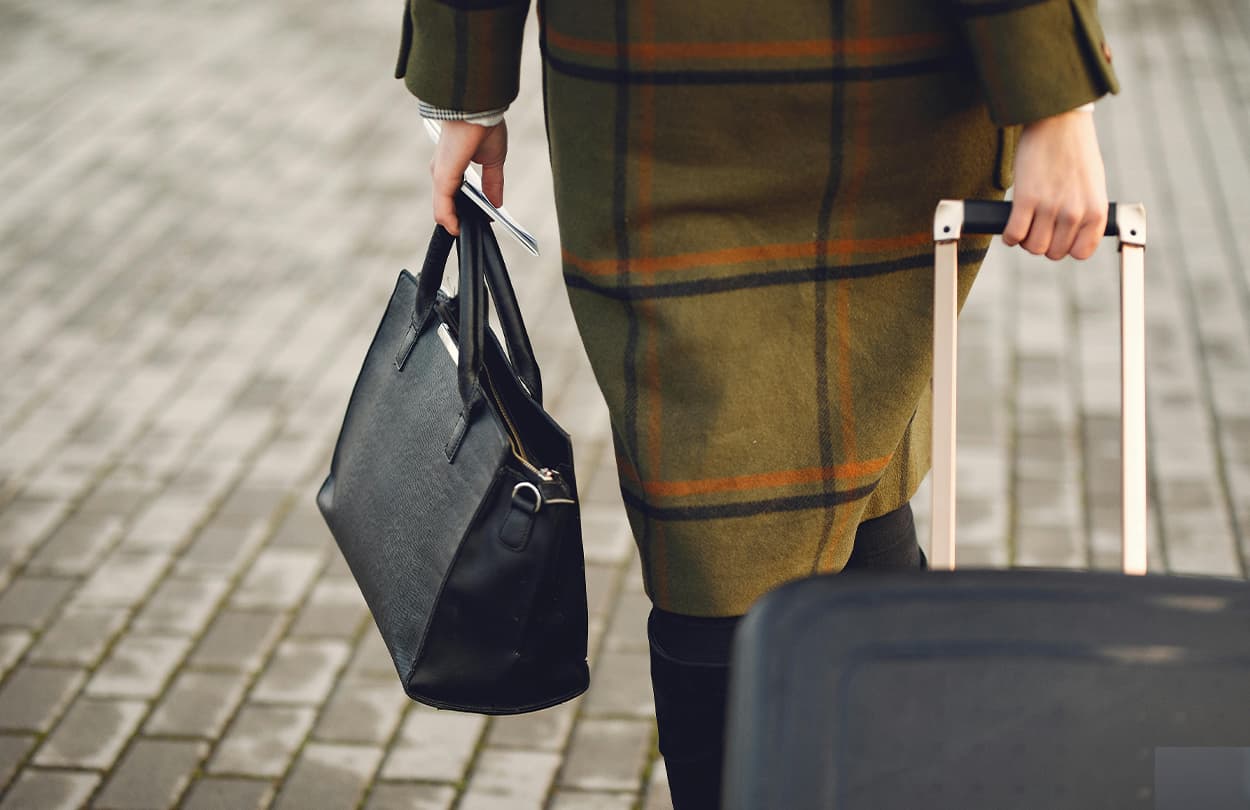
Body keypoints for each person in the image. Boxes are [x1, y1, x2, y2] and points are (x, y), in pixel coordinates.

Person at [397, 1, 1118, 806]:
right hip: (652, 103)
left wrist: (1057, 99)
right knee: (714, 531)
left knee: (866, 464)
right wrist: (466, 79)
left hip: (891, 93)